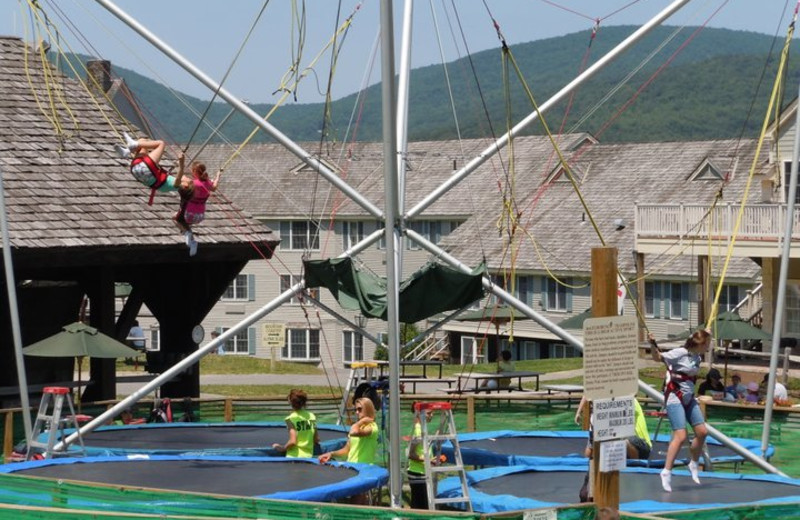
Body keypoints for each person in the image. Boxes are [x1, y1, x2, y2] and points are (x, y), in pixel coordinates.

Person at [650, 330, 711, 493]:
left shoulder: (697, 356)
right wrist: (652, 344)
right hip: (674, 397)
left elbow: (702, 337)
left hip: (689, 398)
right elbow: (658, 358)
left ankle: (693, 463)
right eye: (708, 343)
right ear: (701, 344)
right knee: (681, 436)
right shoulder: (680, 353)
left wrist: (706, 332)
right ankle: (666, 472)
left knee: (702, 432)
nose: (709, 347)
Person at [318, 397, 379, 504]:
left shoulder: (372, 427)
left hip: (363, 469)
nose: (356, 412)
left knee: (357, 500)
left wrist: (360, 422)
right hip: (352, 467)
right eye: (356, 409)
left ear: (367, 409)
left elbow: (354, 432)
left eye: (359, 409)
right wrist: (331, 453)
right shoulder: (359, 426)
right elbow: (346, 449)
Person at [116, 132, 184, 205]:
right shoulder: (168, 186)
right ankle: (127, 151)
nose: (188, 178)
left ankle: (132, 146)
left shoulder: (178, 185)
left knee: (161, 144)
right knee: (143, 141)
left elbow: (179, 177)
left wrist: (181, 162)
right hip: (136, 169)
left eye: (189, 180)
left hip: (146, 169)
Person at [173, 160, 223, 256]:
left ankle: (187, 234)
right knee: (186, 225)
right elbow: (215, 187)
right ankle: (191, 241)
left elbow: (181, 178)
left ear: (195, 172)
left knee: (175, 218)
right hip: (200, 216)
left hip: (189, 214)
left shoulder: (193, 183)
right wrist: (218, 176)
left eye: (192, 171)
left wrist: (179, 166)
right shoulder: (208, 183)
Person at [407, 403, 444, 509]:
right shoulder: (418, 430)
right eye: (429, 413)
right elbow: (411, 454)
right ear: (419, 414)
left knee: (424, 505)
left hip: (423, 471)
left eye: (432, 413)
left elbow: (423, 449)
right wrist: (428, 460)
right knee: (420, 506)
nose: (431, 415)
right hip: (416, 473)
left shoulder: (423, 428)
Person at [272, 389, 319, 458]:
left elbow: (293, 441)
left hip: (293, 456)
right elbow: (316, 439)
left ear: (291, 402)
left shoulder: (291, 419)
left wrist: (282, 448)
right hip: (308, 457)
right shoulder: (312, 416)